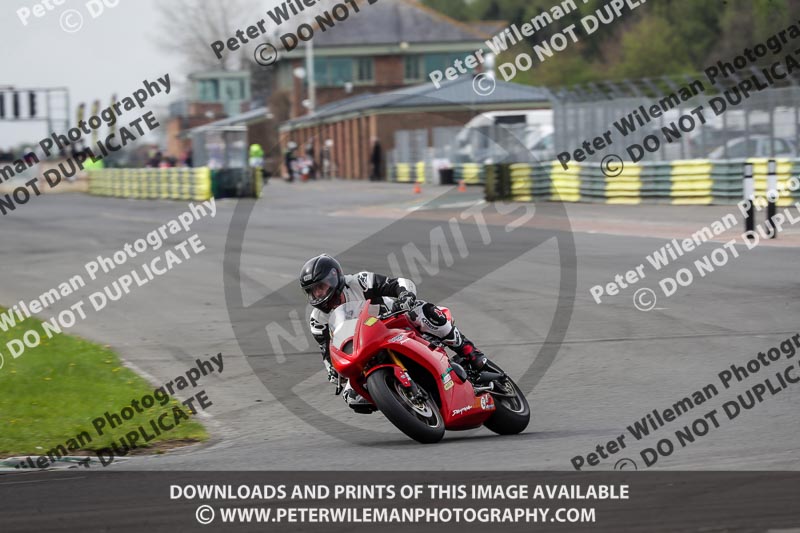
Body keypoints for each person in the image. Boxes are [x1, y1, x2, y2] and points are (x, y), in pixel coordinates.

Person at [299, 254, 487, 412]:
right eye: (312, 291)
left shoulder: (359, 282)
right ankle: (398, 399)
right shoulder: (317, 320)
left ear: (334, 278)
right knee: (353, 397)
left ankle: (469, 351)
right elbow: (327, 353)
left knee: (422, 311)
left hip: (392, 323)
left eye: (320, 287)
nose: (318, 294)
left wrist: (405, 296)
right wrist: (334, 372)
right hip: (363, 348)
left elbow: (398, 283)